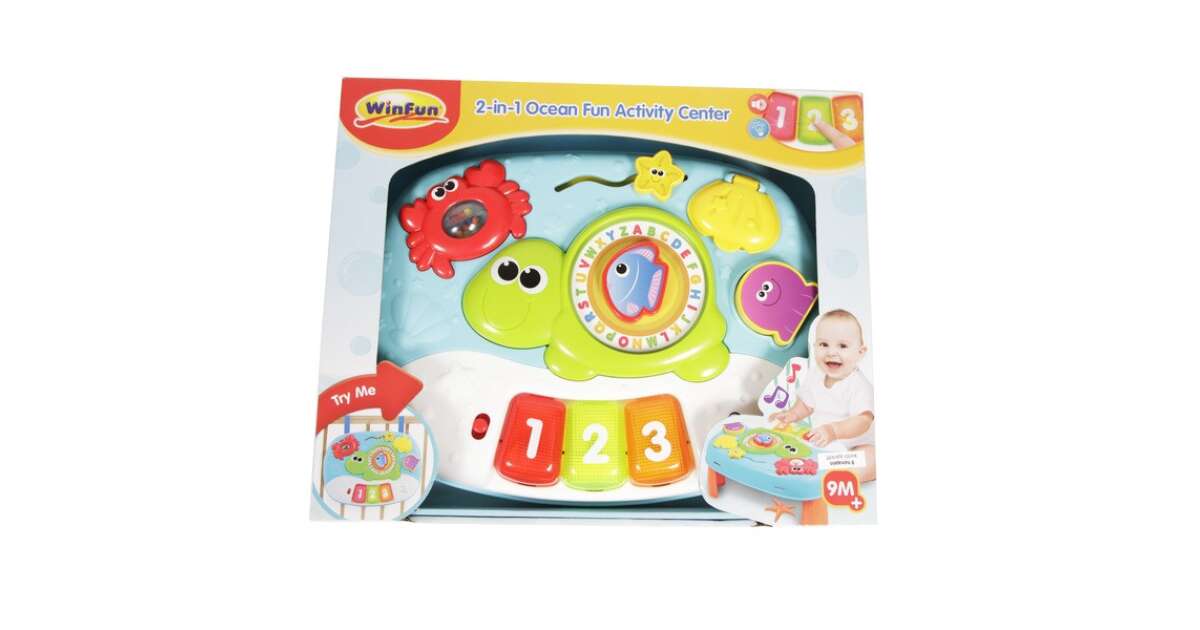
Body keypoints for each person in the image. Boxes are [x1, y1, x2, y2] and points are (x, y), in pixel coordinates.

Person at [770, 309, 876, 481]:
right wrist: (792, 414)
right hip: (824, 444)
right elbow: (806, 404)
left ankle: (841, 476)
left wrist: (834, 431)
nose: (831, 352)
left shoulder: (859, 385)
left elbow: (863, 420)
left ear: (860, 352)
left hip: (857, 446)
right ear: (815, 347)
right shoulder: (815, 374)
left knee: (869, 459)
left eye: (842, 346)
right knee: (793, 449)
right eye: (824, 344)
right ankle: (815, 471)